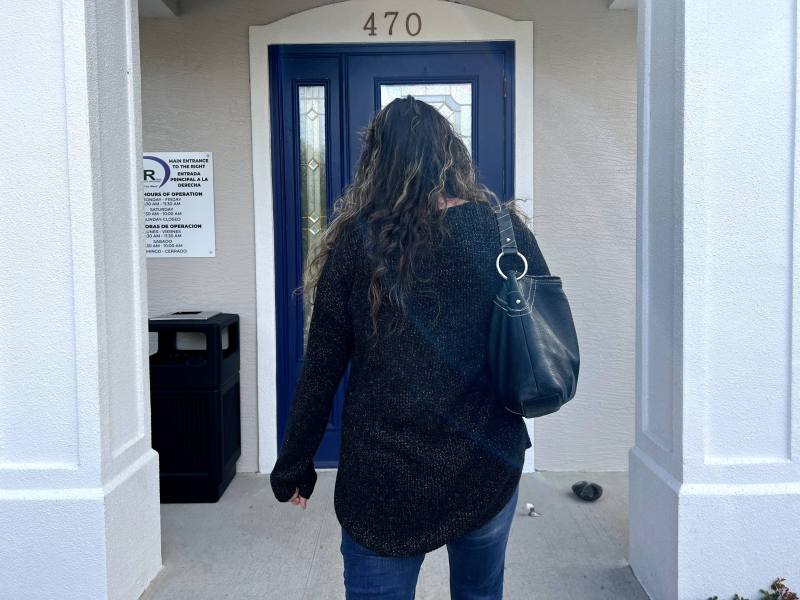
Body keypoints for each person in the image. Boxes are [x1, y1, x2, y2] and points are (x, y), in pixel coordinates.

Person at [270, 95, 550, 599]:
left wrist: (294, 463)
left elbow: (321, 367)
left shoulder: (357, 244)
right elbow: (540, 332)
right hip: (486, 463)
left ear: (376, 164)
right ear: (452, 155)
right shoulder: (503, 233)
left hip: (383, 480)